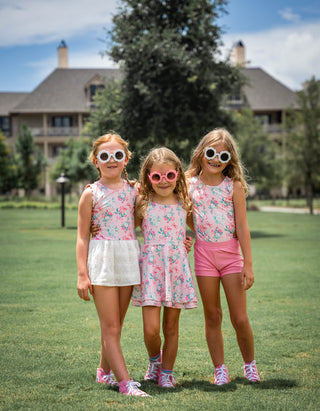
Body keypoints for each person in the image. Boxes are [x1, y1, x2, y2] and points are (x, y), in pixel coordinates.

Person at [76, 132, 150, 397]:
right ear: (96, 161)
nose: (111, 160)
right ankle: (125, 382)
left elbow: (146, 221)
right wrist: (82, 275)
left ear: (126, 159)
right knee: (111, 327)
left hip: (129, 259)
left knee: (116, 324)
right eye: (104, 156)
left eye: (117, 155)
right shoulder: (90, 194)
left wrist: (180, 239)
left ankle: (103, 372)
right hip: (103, 261)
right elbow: (82, 237)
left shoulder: (135, 191)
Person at [186, 128, 260, 385]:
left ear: (230, 160)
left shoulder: (234, 186)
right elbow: (157, 186)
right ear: (201, 154)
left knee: (239, 317)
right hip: (204, 256)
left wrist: (248, 265)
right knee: (213, 315)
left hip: (231, 256)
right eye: (211, 153)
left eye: (223, 155)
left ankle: (250, 365)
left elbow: (242, 226)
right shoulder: (188, 184)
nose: (216, 159)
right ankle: (220, 369)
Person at [131, 147, 198, 388]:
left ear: (178, 174)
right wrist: (94, 230)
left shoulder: (184, 202)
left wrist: (185, 241)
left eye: (169, 175)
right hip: (150, 270)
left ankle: (167, 373)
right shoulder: (143, 202)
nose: (163, 181)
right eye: (156, 176)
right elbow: (126, 228)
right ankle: (154, 361)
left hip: (176, 269)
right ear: (148, 177)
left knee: (171, 326)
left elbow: (198, 226)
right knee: (151, 329)